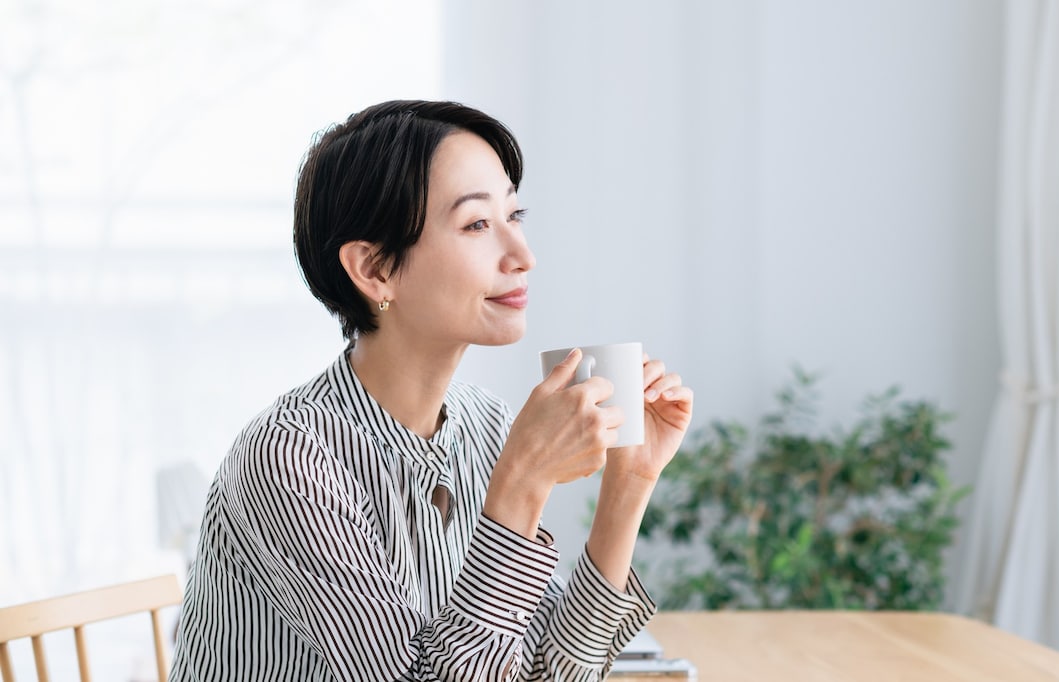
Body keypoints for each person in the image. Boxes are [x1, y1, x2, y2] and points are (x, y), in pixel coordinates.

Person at [169, 100, 694, 681]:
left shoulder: (484, 424)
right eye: (476, 224)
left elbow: (546, 673)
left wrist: (631, 480)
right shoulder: (288, 460)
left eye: (514, 216)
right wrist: (520, 485)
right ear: (374, 271)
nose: (523, 256)